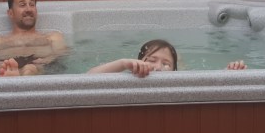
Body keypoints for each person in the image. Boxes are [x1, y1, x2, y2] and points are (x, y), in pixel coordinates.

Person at [0, 0, 67, 77]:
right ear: (11, 13)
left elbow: (62, 56)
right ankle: (1, 74)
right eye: (22, 5)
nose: (29, 9)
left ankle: (10, 77)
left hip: (39, 69)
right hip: (5, 68)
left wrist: (46, 60)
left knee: (30, 69)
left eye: (32, 4)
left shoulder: (53, 37)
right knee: (0, 68)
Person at [88, 39, 247, 77]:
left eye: (166, 64)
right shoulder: (129, 75)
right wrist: (123, 63)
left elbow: (203, 85)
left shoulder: (178, 80)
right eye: (152, 60)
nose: (158, 67)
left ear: (174, 71)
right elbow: (88, 77)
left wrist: (227, 74)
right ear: (139, 61)